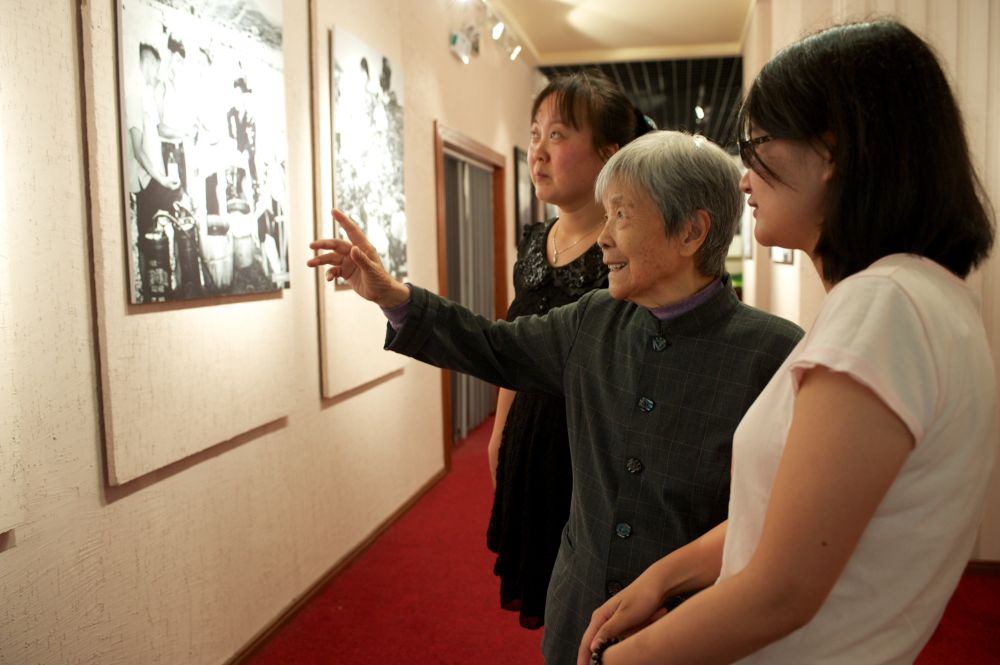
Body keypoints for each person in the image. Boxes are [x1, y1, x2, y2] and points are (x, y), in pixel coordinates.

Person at [576, 20, 996, 665]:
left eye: (757, 144)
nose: (745, 177)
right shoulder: (922, 295)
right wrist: (663, 577)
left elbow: (782, 592)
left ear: (831, 152)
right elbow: (792, 523)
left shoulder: (884, 307)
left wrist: (618, 660)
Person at [307, 130, 804, 664]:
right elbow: (494, 346)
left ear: (690, 231)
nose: (604, 237)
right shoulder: (594, 320)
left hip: (696, 630)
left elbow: (779, 522)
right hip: (577, 607)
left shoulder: (775, 355)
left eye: (621, 215)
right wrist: (395, 297)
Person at [485, 69, 653, 631]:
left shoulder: (631, 244)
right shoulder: (536, 240)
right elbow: (517, 340)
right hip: (535, 434)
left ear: (609, 155)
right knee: (555, 602)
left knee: (603, 602)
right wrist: (499, 431)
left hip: (599, 445)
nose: (537, 152)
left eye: (557, 136)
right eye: (535, 135)